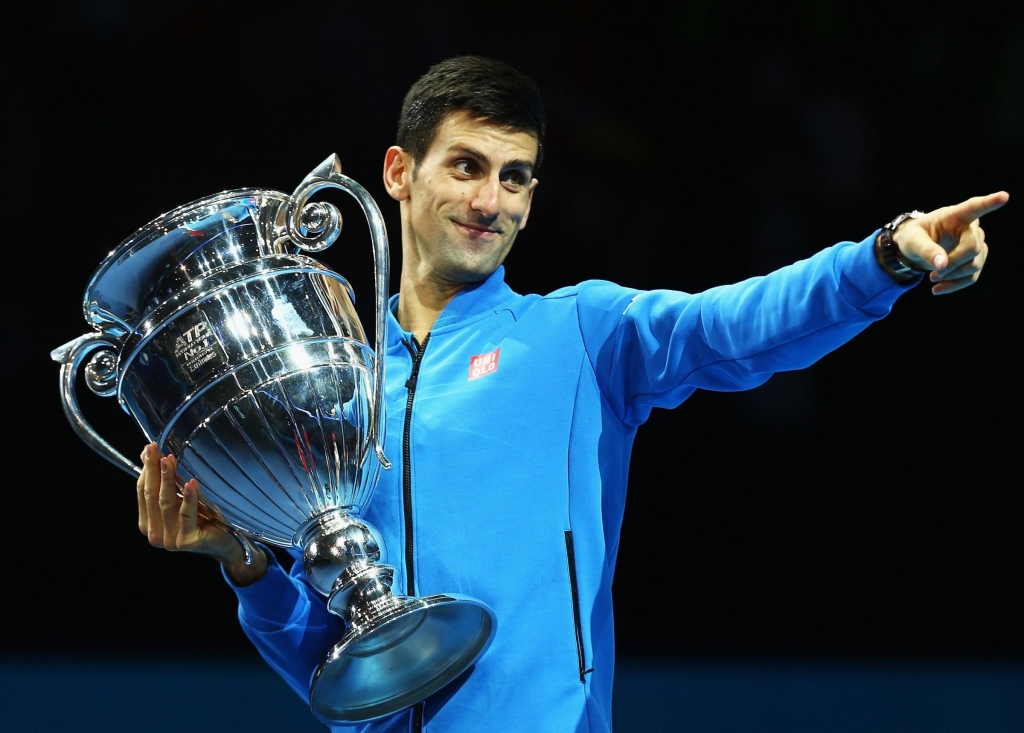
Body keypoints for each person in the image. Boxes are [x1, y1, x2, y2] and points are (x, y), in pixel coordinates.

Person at [135, 56, 1006, 732]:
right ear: (399, 172)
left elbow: (741, 325)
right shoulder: (335, 390)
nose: (491, 201)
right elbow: (344, 677)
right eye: (467, 166)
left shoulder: (579, 335)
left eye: (515, 177)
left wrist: (883, 256)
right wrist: (245, 566)